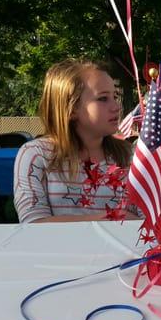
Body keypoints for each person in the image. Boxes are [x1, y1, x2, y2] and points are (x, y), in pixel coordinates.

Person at [14, 59, 140, 223]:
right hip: (58, 249)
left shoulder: (130, 156)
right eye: (103, 99)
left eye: (115, 96)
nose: (116, 106)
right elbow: (33, 223)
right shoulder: (36, 155)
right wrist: (108, 218)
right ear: (71, 109)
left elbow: (148, 222)